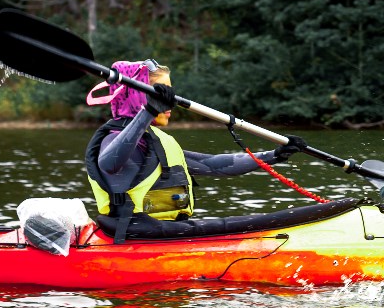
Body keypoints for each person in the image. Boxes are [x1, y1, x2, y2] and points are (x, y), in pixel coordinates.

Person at [84, 59, 305, 238]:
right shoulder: (114, 139)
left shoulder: (155, 140)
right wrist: (149, 112)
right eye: (162, 92)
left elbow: (213, 165)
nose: (170, 102)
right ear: (139, 95)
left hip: (164, 233)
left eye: (169, 93)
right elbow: (109, 163)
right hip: (135, 235)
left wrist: (274, 155)